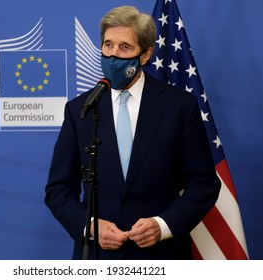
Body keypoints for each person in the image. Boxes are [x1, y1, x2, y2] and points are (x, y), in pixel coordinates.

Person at [45, 6, 221, 260]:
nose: (113, 55)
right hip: (98, 256)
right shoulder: (80, 110)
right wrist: (91, 227)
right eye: (108, 45)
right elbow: (58, 189)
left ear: (146, 54)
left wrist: (162, 226)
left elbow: (204, 184)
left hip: (162, 255)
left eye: (125, 47)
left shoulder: (179, 106)